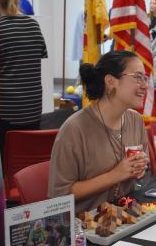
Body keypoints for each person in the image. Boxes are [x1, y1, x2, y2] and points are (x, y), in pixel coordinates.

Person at [48, 51, 149, 214]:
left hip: (126, 216)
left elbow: (140, 175)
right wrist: (115, 175)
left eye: (145, 78)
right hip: (88, 227)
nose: (145, 85)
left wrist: (138, 168)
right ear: (110, 82)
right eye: (137, 77)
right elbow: (60, 195)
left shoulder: (135, 121)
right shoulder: (74, 129)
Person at [0, 0, 47, 152]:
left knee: (8, 157)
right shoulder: (33, 25)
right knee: (28, 156)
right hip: (32, 108)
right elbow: (38, 56)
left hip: (7, 111)